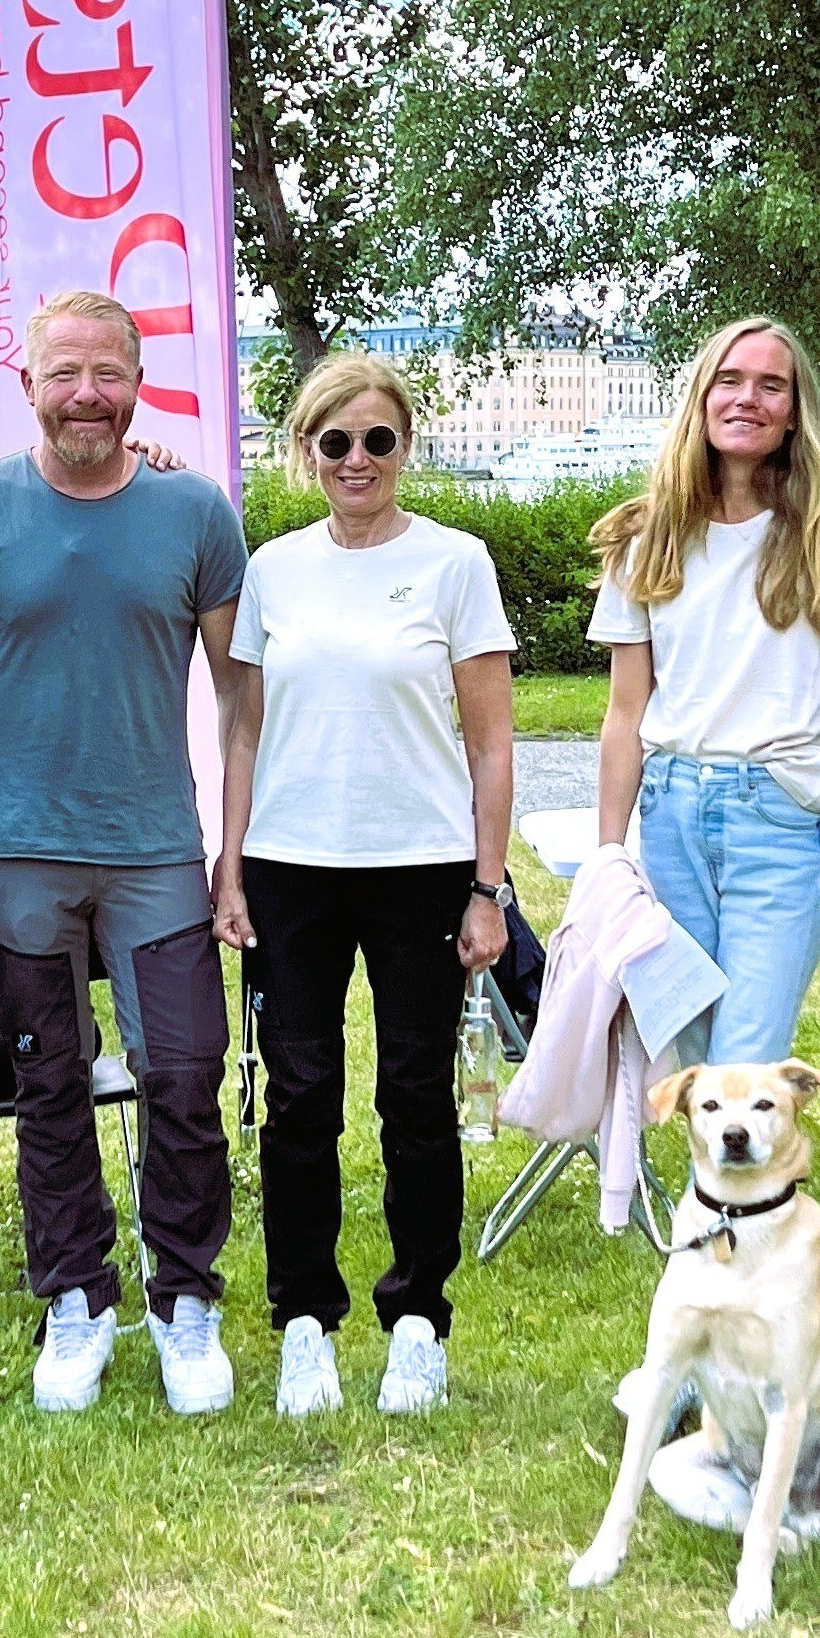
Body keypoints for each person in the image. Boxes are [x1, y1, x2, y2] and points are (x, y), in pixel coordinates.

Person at [0, 292, 250, 1416]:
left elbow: (242, 699)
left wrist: (231, 853)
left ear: (138, 379)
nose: (86, 394)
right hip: (16, 851)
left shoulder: (195, 512)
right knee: (47, 1079)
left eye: (107, 372)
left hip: (154, 848)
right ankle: (76, 1299)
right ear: (28, 382)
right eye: (65, 373)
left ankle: (183, 1296)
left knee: (183, 1075)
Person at [214, 358, 515, 1421]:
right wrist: (232, 857)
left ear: (403, 450)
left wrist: (489, 883)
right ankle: (303, 1317)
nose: (355, 461)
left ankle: (417, 1320)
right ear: (306, 450)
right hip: (291, 868)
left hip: (421, 868)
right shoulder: (274, 568)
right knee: (296, 1100)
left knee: (415, 1098)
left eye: (376, 441)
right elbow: (243, 724)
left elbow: (489, 743)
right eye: (334, 442)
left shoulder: (455, 563)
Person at [589, 319, 820, 1067]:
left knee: (746, 1061)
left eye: (771, 384)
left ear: (795, 410)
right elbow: (626, 713)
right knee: (690, 1057)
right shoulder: (649, 537)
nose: (747, 398)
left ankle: (740, 1187)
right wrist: (605, 855)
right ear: (700, 398)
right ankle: (719, 1191)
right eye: (729, 379)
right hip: (672, 813)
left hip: (780, 816)